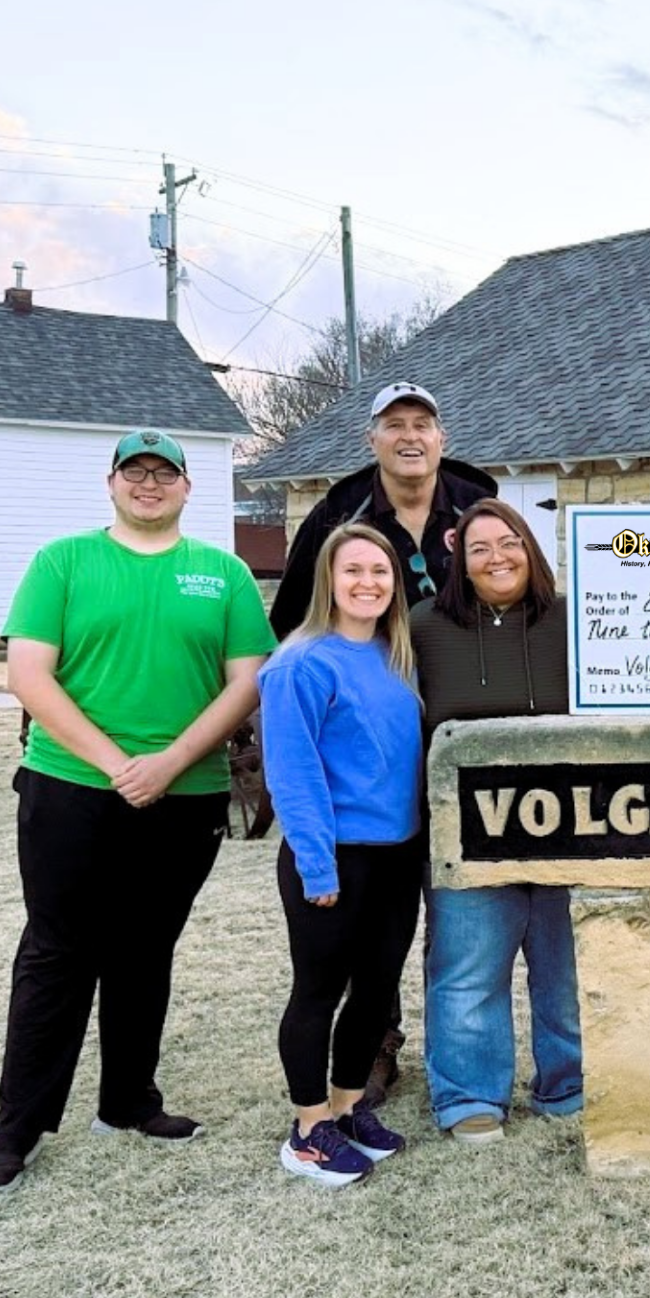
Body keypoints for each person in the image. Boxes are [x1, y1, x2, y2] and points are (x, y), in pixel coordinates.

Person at [0, 430, 275, 1195]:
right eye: (134, 472)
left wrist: (169, 763)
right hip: (70, 785)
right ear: (110, 483)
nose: (148, 483)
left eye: (162, 472)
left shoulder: (223, 574)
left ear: (186, 487)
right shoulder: (63, 562)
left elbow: (247, 682)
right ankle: (18, 1130)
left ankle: (129, 1101)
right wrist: (116, 766)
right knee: (57, 952)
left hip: (188, 791)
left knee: (146, 946)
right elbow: (28, 674)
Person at [270, 380, 496, 1101]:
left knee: (443, 906)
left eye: (422, 423)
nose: (409, 436)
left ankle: (458, 1047)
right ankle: (372, 1046)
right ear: (371, 440)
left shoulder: (477, 507)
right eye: (393, 424)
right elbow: (292, 620)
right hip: (365, 728)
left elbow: (514, 587)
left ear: (441, 437)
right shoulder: (340, 516)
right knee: (352, 936)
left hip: (456, 726)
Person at [259, 524, 426, 1186]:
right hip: (332, 856)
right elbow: (293, 773)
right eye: (353, 570)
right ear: (330, 579)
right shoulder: (300, 664)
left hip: (396, 855)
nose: (368, 582)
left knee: (378, 988)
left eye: (380, 571)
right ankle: (308, 1127)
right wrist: (317, 864)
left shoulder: (396, 655)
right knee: (319, 990)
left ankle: (350, 1104)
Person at [410, 500, 581, 1142]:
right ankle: (469, 1096)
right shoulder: (424, 626)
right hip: (466, 835)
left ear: (529, 547)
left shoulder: (573, 620)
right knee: (468, 968)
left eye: (508, 542)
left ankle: (569, 1083)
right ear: (459, 558)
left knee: (564, 966)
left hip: (571, 827)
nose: (496, 558)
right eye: (479, 548)